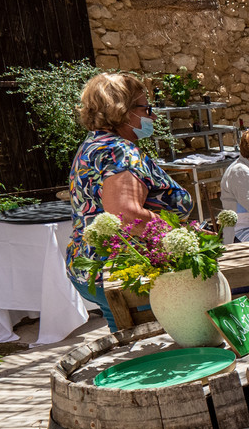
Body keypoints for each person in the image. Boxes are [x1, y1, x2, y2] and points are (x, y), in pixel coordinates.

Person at [66, 73, 193, 325]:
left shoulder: (92, 146)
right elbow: (126, 215)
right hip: (130, 274)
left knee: (128, 339)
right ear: (123, 111)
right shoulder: (120, 151)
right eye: (147, 109)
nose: (152, 117)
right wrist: (181, 239)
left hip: (92, 268)